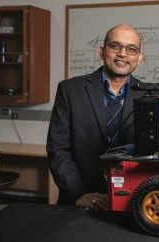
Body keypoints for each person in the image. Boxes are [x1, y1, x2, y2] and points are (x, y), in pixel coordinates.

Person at [47, 24, 146, 211]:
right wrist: (78, 194)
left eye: (131, 49)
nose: (123, 54)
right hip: (80, 202)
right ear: (102, 51)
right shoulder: (70, 90)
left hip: (134, 201)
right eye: (115, 46)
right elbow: (58, 149)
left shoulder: (151, 97)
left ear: (139, 58)